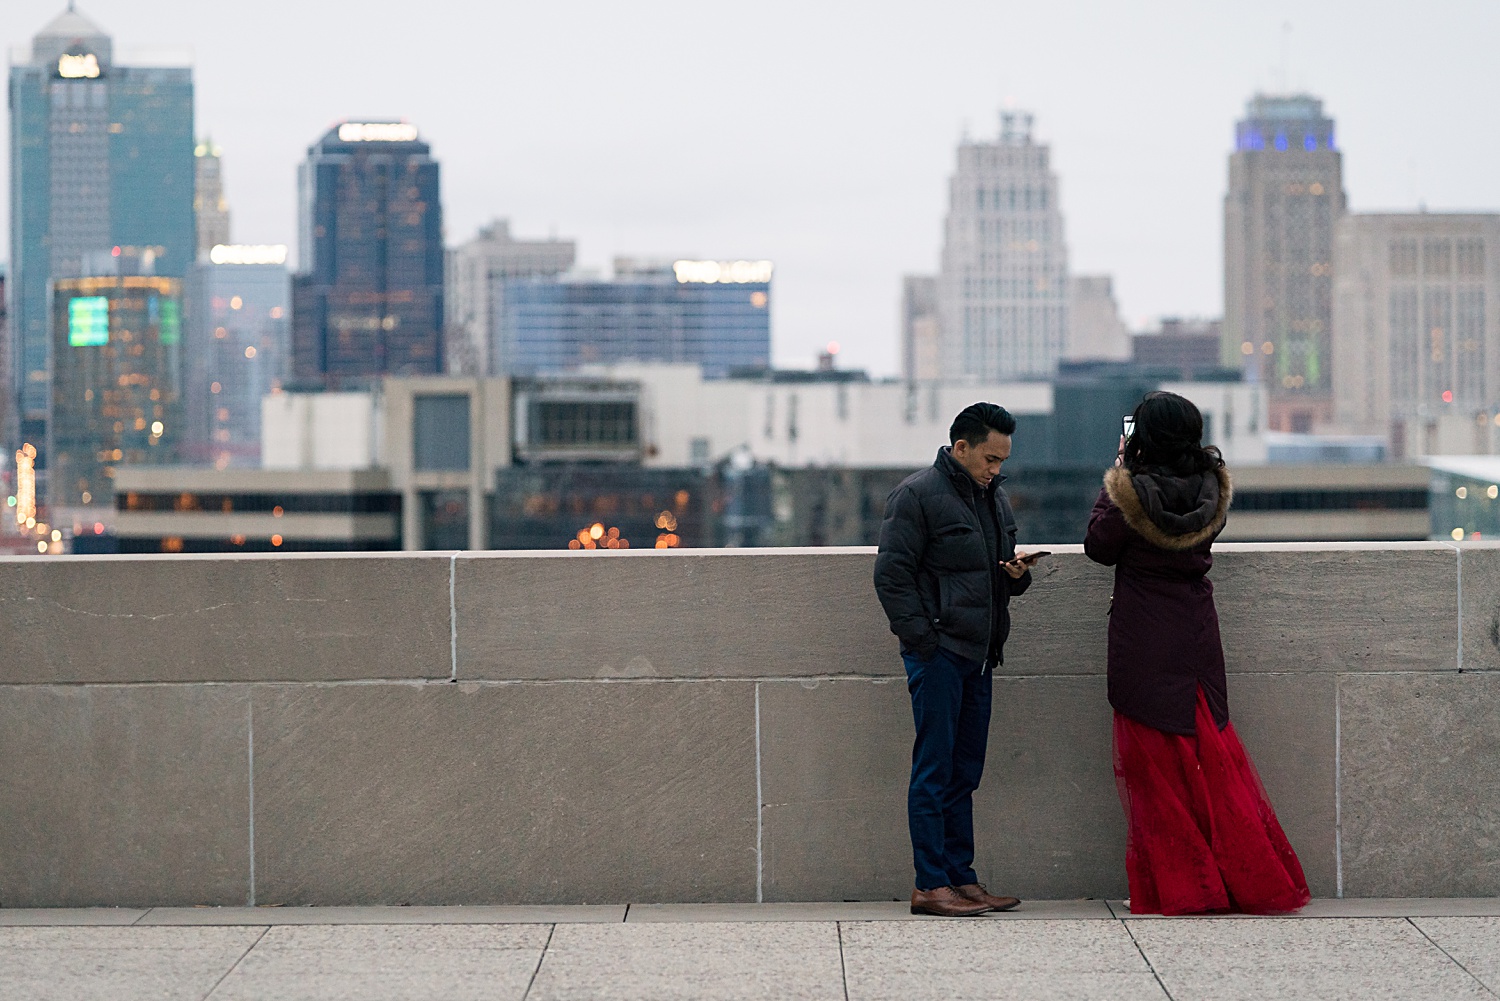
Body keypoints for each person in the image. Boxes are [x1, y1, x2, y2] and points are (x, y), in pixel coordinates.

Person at [1084, 391, 1310, 915]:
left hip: (1145, 636)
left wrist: (1117, 472)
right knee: (1209, 758)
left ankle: (1184, 884)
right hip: (1196, 631)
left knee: (1155, 767)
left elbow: (1099, 544)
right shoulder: (1211, 488)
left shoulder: (1131, 491)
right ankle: (1233, 879)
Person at [874, 403, 1040, 917]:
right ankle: (930, 884)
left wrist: (1017, 576)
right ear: (961, 447)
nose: (996, 469)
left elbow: (987, 575)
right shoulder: (917, 495)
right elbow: (891, 577)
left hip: (980, 653)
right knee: (935, 768)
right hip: (941, 654)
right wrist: (926, 643)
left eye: (1002, 461)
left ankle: (961, 879)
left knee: (964, 771)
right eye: (989, 458)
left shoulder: (994, 497)